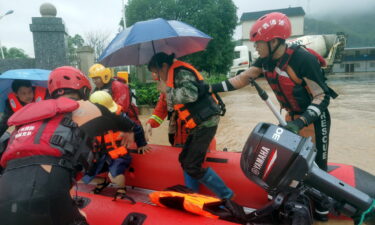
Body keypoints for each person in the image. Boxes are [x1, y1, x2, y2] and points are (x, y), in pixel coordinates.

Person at [209, 12, 337, 221]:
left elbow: (322, 97)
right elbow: (242, 79)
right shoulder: (265, 61)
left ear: (274, 41)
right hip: (290, 118)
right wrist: (209, 88)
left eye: (258, 43)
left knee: (318, 167)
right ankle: (291, 203)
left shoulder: (302, 60)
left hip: (314, 119)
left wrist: (300, 122)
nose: (255, 47)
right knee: (291, 164)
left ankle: (323, 213)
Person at [0, 66, 139, 225]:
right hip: (49, 190)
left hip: (4, 192)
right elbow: (124, 122)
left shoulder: (26, 118)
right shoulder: (87, 107)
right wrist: (129, 132)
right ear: (85, 91)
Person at [147, 52, 233, 199]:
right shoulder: (170, 79)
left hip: (206, 122)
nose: (157, 76)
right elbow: (162, 107)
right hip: (195, 125)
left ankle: (226, 195)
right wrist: (150, 123)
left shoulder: (180, 73)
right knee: (184, 160)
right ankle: (192, 194)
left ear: (164, 66)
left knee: (192, 165)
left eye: (156, 72)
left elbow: (191, 94)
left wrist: (167, 91)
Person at [83, 90, 150, 201]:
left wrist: (141, 144)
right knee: (87, 173)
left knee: (115, 174)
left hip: (119, 153)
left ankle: (121, 188)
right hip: (101, 153)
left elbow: (136, 128)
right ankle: (102, 182)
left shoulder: (120, 118)